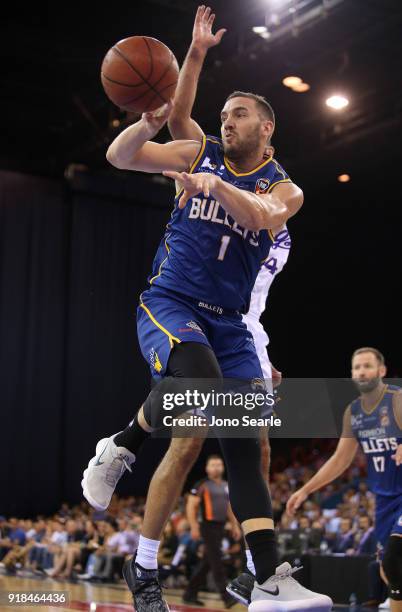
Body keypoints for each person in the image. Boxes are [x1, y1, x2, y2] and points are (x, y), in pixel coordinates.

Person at [82, 5, 333, 611]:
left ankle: (269, 581)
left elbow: (264, 217)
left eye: (239, 115)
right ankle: (124, 453)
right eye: (222, 115)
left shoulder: (282, 186)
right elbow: (120, 157)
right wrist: (150, 121)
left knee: (246, 439)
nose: (227, 122)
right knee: (201, 391)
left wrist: (218, 187)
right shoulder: (195, 151)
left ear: (266, 129)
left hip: (230, 323)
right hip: (171, 302)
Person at [287, 347, 402, 612]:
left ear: (381, 371)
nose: (362, 371)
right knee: (389, 570)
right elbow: (340, 460)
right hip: (384, 501)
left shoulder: (395, 399)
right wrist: (305, 490)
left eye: (367, 366)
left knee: (395, 561)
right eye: (357, 367)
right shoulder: (354, 412)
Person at [183, 454, 240, 607]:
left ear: (222, 467)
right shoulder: (202, 484)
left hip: (221, 526)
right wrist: (194, 526)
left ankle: (189, 594)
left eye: (219, 465)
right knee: (216, 561)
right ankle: (225, 596)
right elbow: (191, 506)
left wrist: (234, 525)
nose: (216, 467)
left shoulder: (226, 485)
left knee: (207, 562)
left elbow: (229, 508)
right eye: (213, 465)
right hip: (207, 526)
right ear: (207, 468)